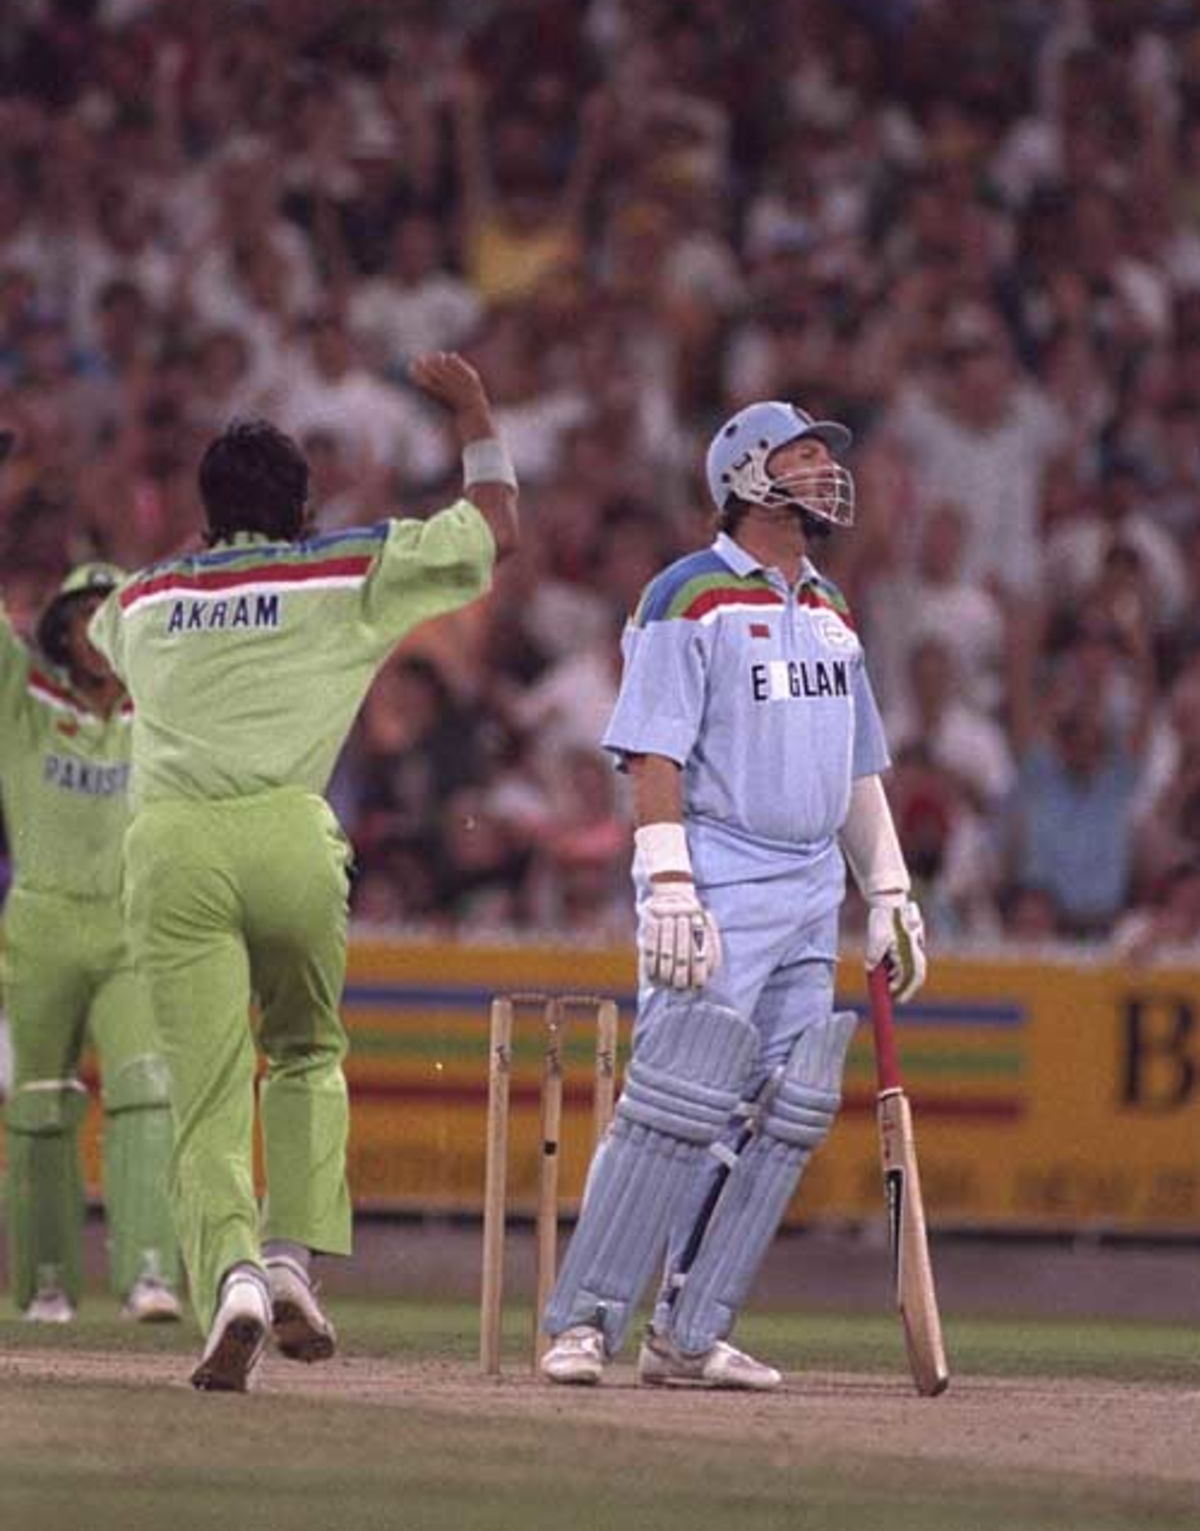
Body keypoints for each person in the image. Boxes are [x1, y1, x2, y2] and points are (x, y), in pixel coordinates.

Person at [87, 353, 518, 1391]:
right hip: (289, 835)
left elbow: (100, 657)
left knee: (204, 1097)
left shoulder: (139, 599)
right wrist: (472, 410)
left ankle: (229, 1275)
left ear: (204, 514)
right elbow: (496, 527)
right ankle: (290, 1260)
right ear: (305, 504)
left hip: (174, 842)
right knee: (308, 1054)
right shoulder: (344, 568)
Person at [539, 401, 927, 1389]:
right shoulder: (688, 594)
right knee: (678, 1100)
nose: (824, 471)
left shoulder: (833, 608)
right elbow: (653, 748)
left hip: (807, 885)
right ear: (749, 473)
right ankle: (583, 1321)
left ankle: (690, 1327)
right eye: (802, 455)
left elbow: (855, 765)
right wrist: (669, 878)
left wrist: (886, 886)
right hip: (715, 866)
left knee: (786, 1109)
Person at [0, 466, 181, 1326]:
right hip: (39, 923)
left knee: (146, 1089)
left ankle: (149, 1270)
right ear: (61, 635)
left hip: (132, 925)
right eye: (84, 620)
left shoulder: (165, 711)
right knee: (37, 1106)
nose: (99, 633)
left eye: (115, 617)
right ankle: (44, 1286)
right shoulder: (22, 704)